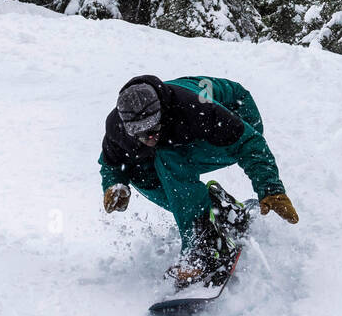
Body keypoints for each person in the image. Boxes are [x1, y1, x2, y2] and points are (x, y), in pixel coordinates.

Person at [99, 74, 297, 287]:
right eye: (140, 133)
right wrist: (115, 185)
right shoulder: (117, 126)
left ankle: (203, 250)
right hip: (182, 135)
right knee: (140, 172)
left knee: (168, 158)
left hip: (238, 114)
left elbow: (249, 141)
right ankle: (214, 209)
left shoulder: (194, 108)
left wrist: (269, 188)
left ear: (162, 113)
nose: (148, 137)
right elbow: (112, 162)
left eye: (153, 129)